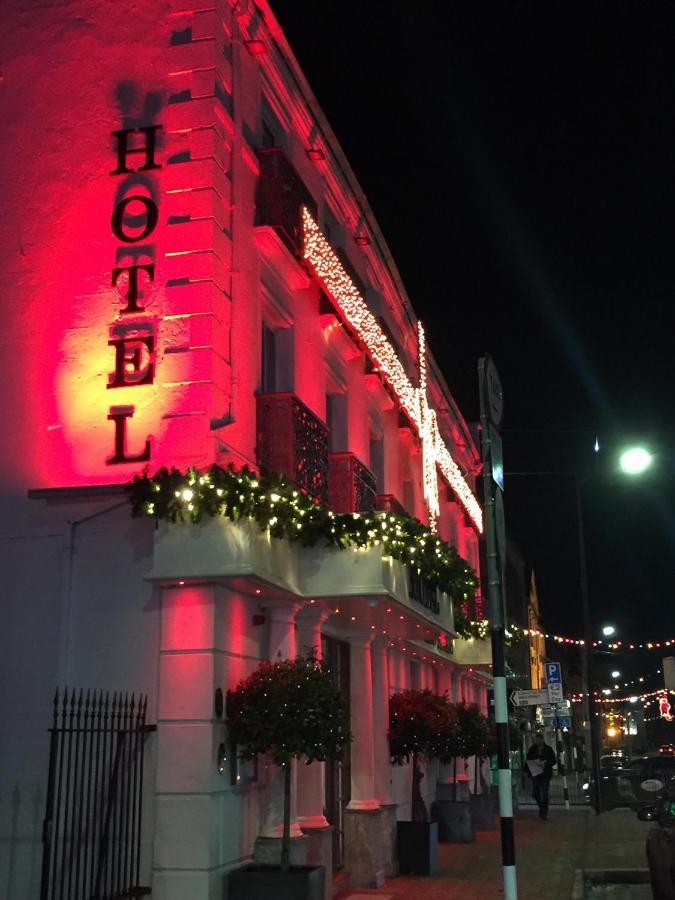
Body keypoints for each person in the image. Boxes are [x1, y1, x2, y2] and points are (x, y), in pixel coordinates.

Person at [526, 732, 557, 820]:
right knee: (536, 793)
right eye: (536, 740)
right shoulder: (532, 749)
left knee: (544, 792)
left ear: (542, 739)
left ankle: (544, 812)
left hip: (545, 773)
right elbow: (528, 759)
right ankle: (541, 807)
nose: (537, 741)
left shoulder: (548, 749)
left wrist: (546, 763)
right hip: (536, 773)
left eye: (538, 739)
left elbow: (553, 760)